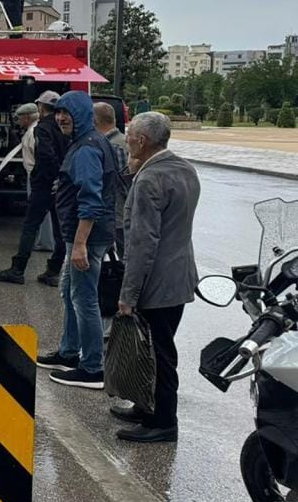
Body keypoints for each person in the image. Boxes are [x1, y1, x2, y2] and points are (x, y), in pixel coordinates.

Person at [110, 112, 200, 443]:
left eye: (130, 134)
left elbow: (142, 243)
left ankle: (163, 422)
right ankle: (146, 407)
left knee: (158, 353)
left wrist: (128, 295)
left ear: (142, 141)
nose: (127, 138)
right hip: (180, 275)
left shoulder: (149, 180)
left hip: (156, 281)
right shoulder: (184, 169)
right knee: (153, 349)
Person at [36, 91, 119, 390]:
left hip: (86, 238)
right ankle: (69, 352)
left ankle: (92, 366)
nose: (60, 118)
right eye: (58, 113)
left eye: (66, 114)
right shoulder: (90, 142)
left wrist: (81, 243)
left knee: (84, 299)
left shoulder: (86, 149)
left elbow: (91, 199)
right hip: (79, 236)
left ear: (82, 115)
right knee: (69, 293)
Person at [0, 91, 68, 286]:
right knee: (60, 230)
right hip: (62, 185)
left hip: (44, 185)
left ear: (41, 108)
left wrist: (42, 178)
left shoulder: (42, 129)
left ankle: (17, 269)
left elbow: (45, 157)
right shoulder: (65, 127)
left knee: (30, 226)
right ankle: (53, 271)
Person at [95, 102, 130, 258]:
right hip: (121, 213)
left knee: (123, 256)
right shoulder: (123, 141)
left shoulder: (113, 146)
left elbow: (122, 183)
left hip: (118, 213)